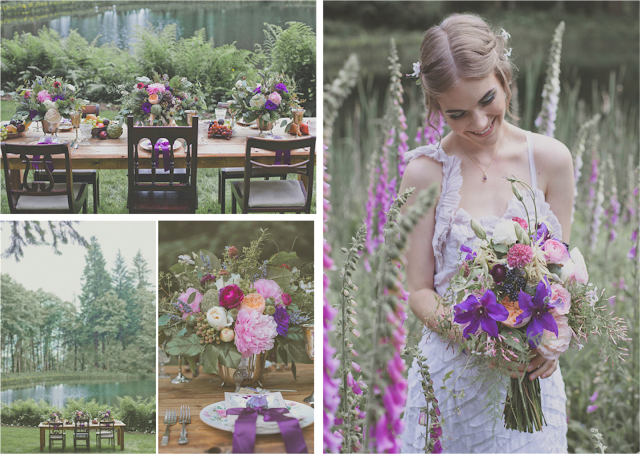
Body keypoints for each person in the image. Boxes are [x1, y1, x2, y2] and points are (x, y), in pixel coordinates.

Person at [399, 13, 573, 453]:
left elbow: (561, 264)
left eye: (487, 100)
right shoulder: (423, 174)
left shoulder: (552, 160)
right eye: (456, 113)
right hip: (451, 385)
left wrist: (555, 334)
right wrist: (481, 343)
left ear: (504, 76)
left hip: (532, 382)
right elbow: (418, 291)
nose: (477, 122)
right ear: (435, 106)